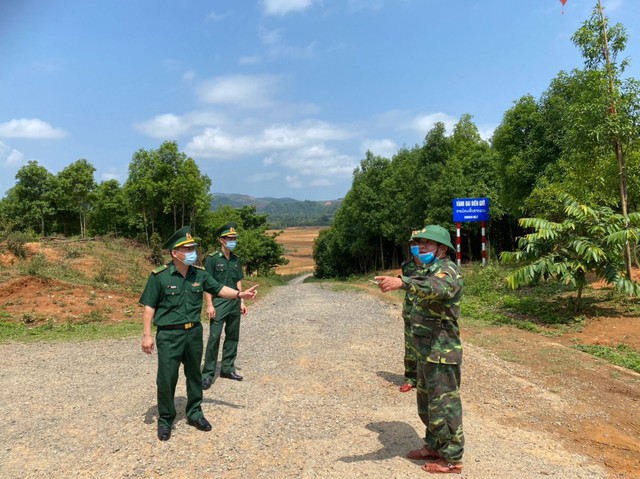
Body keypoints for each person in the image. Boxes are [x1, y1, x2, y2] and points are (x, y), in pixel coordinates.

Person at [140, 226, 257, 441]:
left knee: (194, 374)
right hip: (168, 335)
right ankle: (166, 419)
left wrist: (240, 294)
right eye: (188, 248)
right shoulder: (160, 276)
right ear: (175, 253)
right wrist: (147, 335)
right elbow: (149, 307)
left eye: (194, 247)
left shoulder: (200, 275)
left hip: (193, 333)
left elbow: (220, 288)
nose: (193, 251)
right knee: (166, 378)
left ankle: (195, 412)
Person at [375, 224, 464, 474]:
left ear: (442, 249)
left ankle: (452, 459)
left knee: (444, 405)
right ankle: (435, 445)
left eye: (427, 243)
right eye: (419, 243)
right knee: (427, 403)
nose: (421, 247)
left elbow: (435, 288)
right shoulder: (427, 269)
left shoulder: (447, 272)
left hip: (442, 351)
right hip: (426, 350)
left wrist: (402, 283)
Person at [201, 222, 247, 388]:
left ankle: (227, 368)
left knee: (233, 336)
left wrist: (241, 300)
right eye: (230, 238)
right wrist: (209, 305)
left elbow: (238, 281)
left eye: (235, 238)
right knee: (214, 337)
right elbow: (207, 283)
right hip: (219, 302)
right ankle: (207, 374)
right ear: (222, 240)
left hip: (234, 302)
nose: (233, 241)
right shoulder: (212, 259)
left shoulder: (236, 259)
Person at [399, 246, 418, 392]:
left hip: (428, 312)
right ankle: (411, 378)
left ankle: (428, 379)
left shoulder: (436, 267)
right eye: (414, 243)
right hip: (410, 310)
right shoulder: (407, 266)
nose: (417, 246)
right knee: (410, 346)